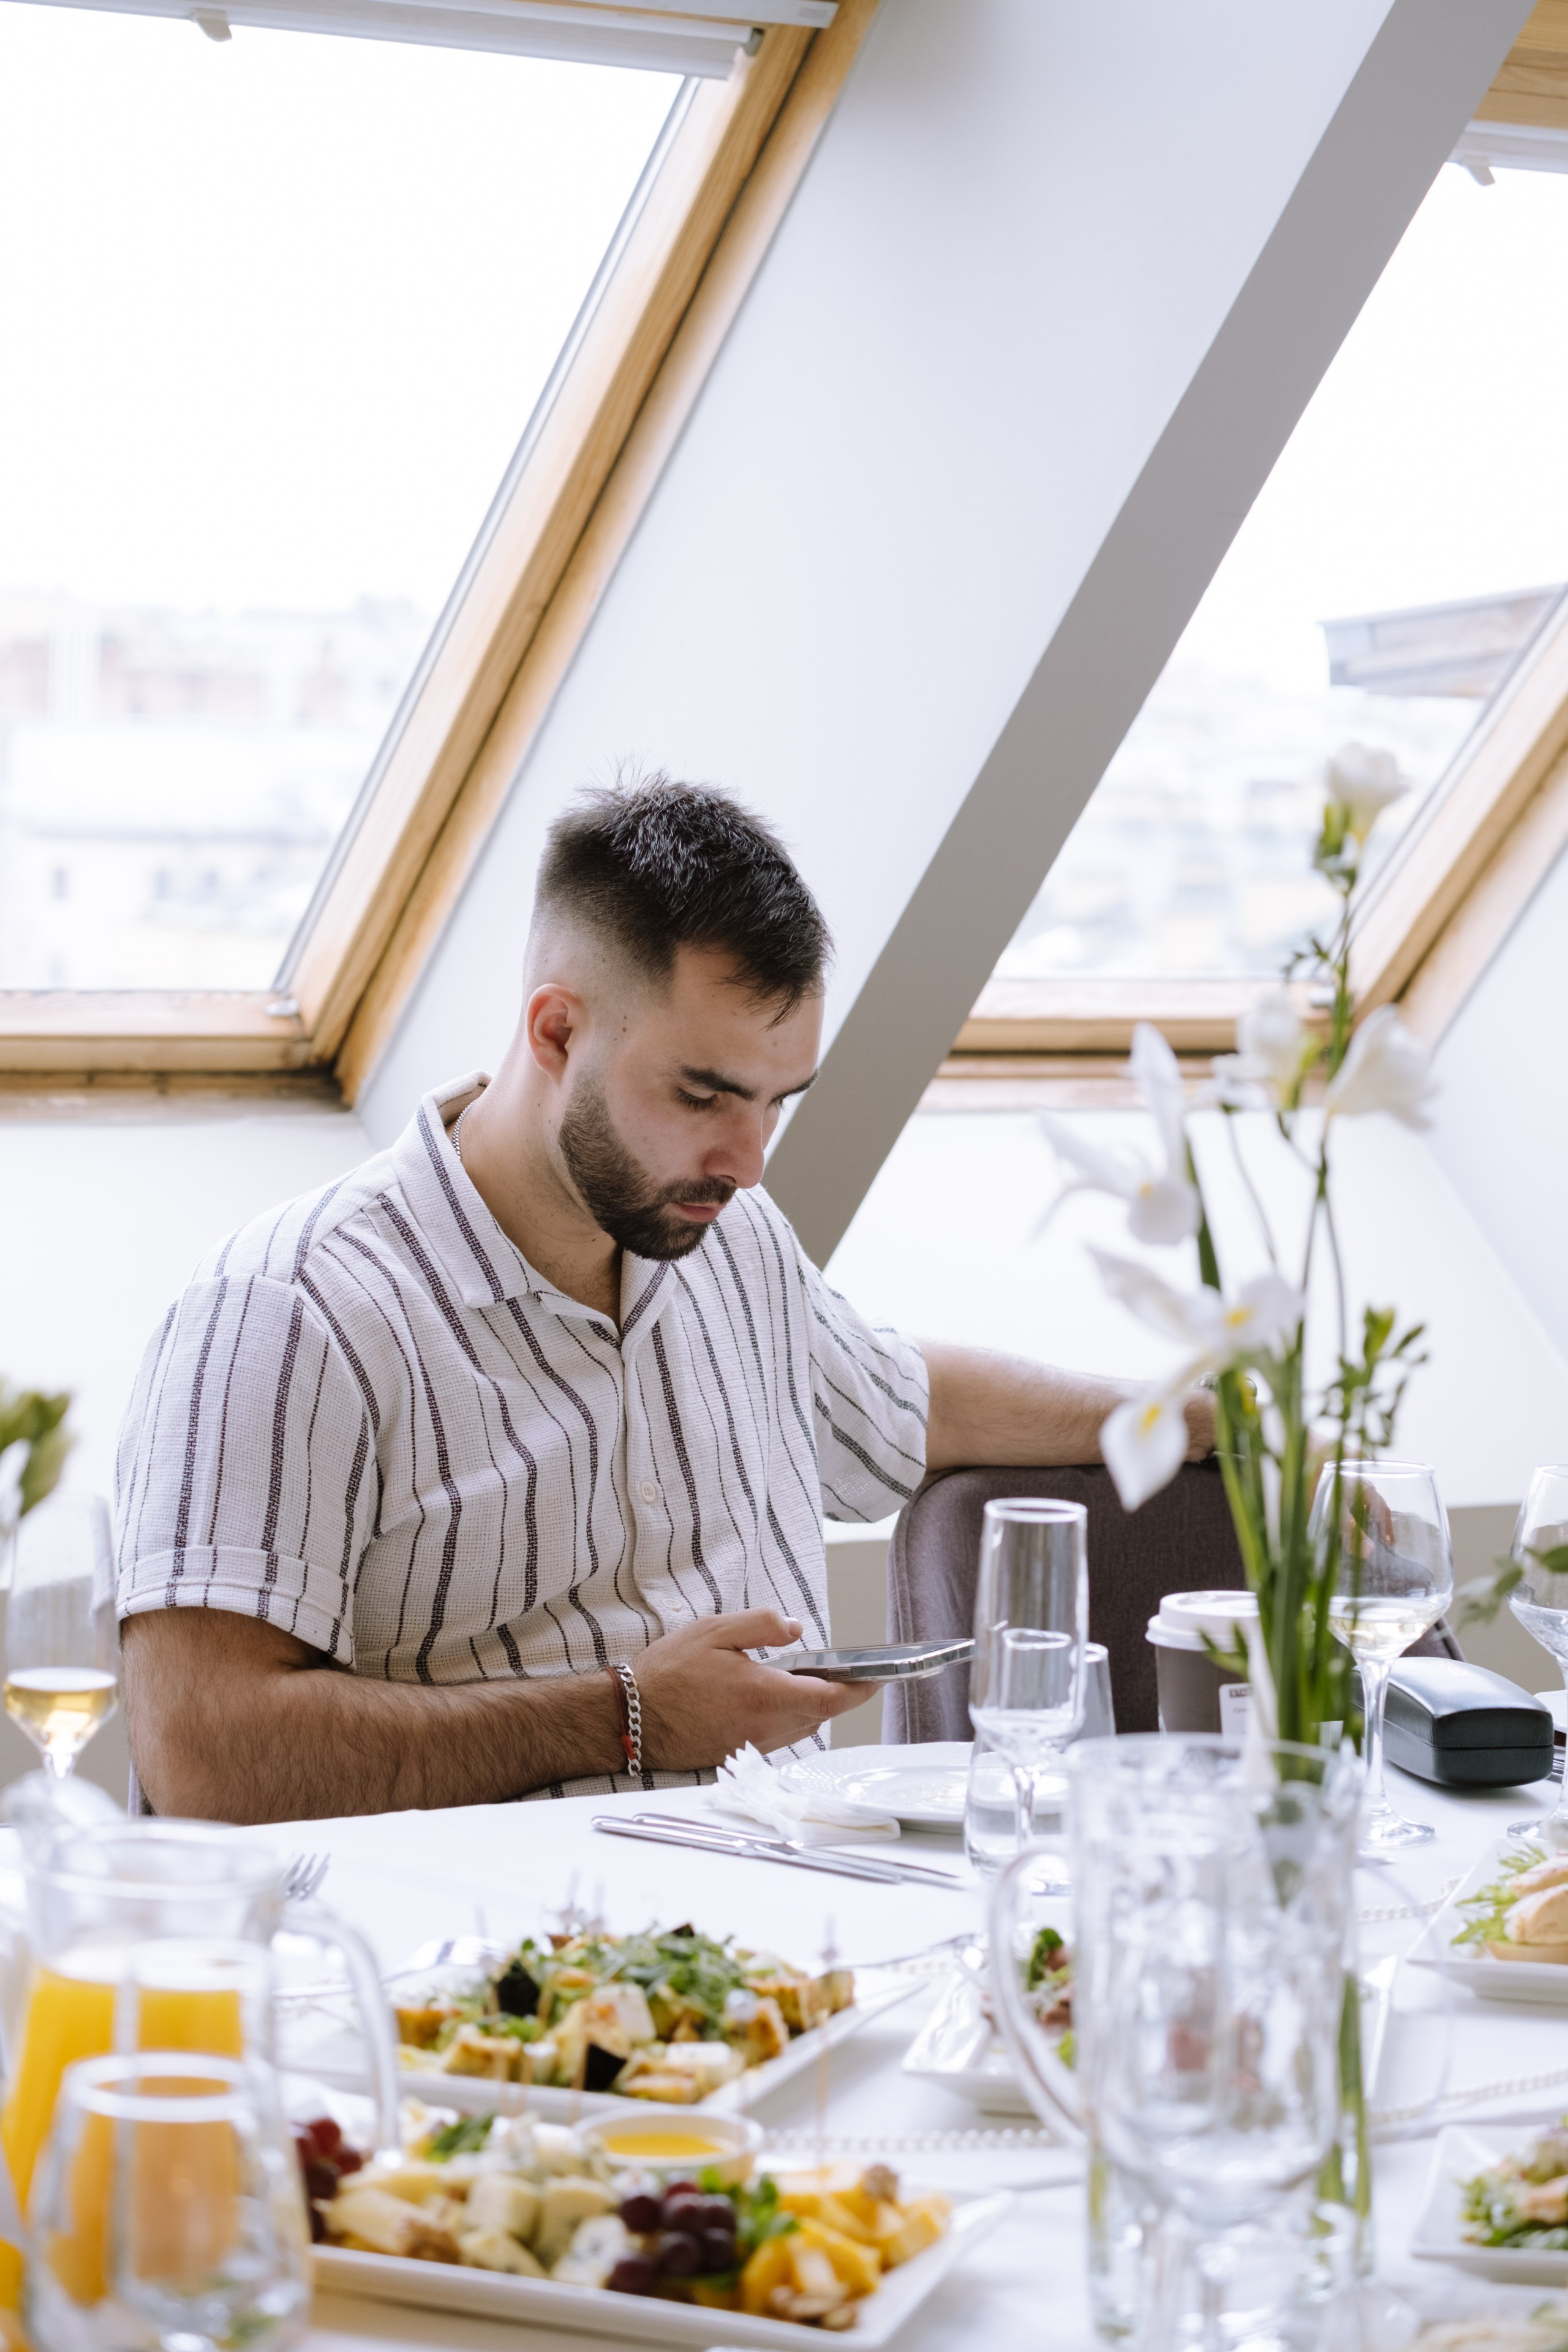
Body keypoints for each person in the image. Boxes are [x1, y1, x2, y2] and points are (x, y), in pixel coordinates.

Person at [116, 778, 1213, 1822]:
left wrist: (1205, 1415)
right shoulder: (289, 1313)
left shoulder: (730, 1242)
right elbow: (204, 1753)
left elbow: (910, 1403)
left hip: (802, 1929)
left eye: (778, 1101)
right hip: (489, 1973)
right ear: (555, 1033)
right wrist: (627, 1719)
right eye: (704, 1094)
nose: (749, 1160)